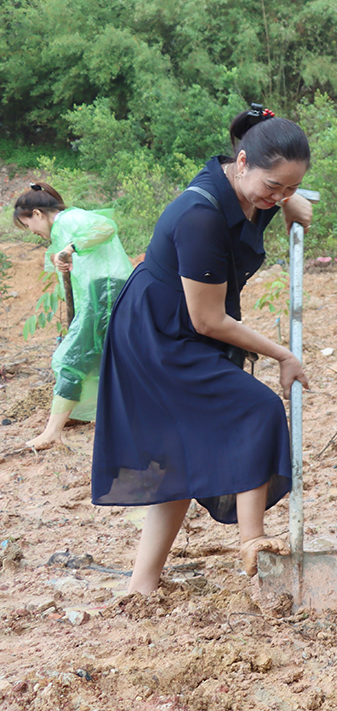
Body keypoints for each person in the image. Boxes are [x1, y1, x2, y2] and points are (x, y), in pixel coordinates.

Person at [92, 105, 314, 595]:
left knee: (179, 454)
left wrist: (286, 205)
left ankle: (142, 584)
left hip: (182, 324)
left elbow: (264, 205)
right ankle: (253, 542)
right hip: (158, 334)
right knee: (256, 409)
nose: (279, 197)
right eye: (273, 186)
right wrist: (282, 354)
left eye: (291, 187)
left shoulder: (248, 192)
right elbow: (209, 319)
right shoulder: (199, 216)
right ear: (242, 161)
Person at [13, 183, 132, 450]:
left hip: (105, 291)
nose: (31, 231)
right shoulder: (60, 234)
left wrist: (72, 247)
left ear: (37, 213)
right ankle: (88, 415)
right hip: (97, 294)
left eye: (28, 224)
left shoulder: (70, 218)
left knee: (72, 357)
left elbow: (106, 226)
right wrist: (64, 254)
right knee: (99, 357)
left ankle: (52, 432)